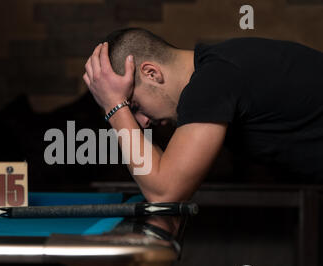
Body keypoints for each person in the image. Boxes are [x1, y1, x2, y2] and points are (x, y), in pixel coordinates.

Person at [82, 28, 323, 237]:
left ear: (152, 73)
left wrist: (114, 105)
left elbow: (165, 192)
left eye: (134, 106)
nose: (142, 123)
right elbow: (166, 176)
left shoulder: (211, 83)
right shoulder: (216, 70)